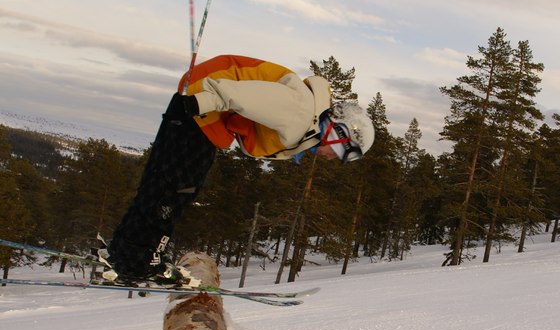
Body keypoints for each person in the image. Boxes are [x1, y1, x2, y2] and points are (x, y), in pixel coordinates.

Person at [100, 54, 375, 287]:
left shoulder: (307, 125)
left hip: (203, 113)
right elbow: (240, 95)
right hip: (199, 107)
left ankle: (125, 252)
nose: (334, 160)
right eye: (342, 153)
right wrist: (195, 105)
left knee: (167, 184)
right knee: (173, 189)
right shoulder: (299, 111)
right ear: (339, 131)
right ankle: (137, 263)